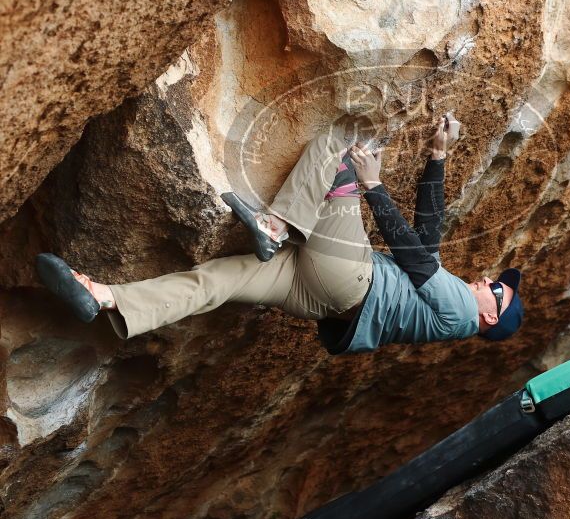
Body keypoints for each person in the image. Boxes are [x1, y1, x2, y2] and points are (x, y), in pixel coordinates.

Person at [35, 115, 524, 353]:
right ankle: (103, 297)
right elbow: (429, 238)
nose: (488, 280)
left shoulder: (461, 311)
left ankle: (274, 225)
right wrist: (438, 157)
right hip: (320, 298)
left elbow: (416, 259)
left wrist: (373, 186)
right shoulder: (450, 314)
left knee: (339, 144)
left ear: (489, 317)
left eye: (497, 290)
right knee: (217, 282)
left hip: (350, 278)